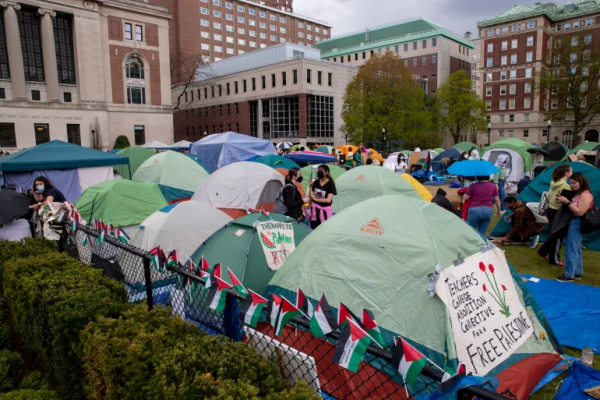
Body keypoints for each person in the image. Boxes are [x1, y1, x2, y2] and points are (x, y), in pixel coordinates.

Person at [555, 173, 594, 282]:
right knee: (576, 249)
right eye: (571, 183)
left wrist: (566, 202)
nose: (572, 185)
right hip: (574, 222)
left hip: (577, 222)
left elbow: (580, 212)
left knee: (571, 249)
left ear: (581, 181)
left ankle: (569, 275)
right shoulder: (580, 193)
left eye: (574, 183)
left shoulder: (585, 194)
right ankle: (577, 272)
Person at [538, 164, 573, 266]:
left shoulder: (554, 183)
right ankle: (554, 259)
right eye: (571, 171)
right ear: (566, 173)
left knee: (553, 233)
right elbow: (565, 201)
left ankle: (543, 251)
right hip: (558, 211)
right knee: (558, 236)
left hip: (551, 209)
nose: (572, 173)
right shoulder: (565, 186)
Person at [309, 165, 337, 229]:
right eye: (318, 171)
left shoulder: (331, 184)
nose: (319, 172)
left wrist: (315, 199)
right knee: (314, 228)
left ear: (326, 172)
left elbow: (328, 200)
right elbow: (312, 195)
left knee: (324, 228)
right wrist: (310, 186)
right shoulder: (316, 182)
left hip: (325, 210)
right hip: (315, 210)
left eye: (321, 171)